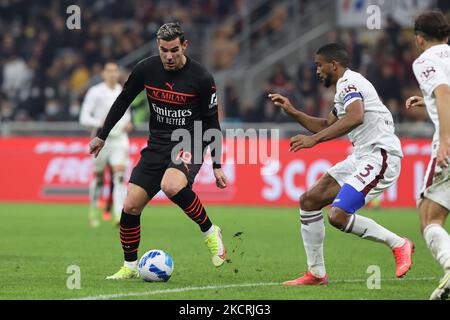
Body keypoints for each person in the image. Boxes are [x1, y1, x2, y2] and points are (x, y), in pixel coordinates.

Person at [88, 22, 227, 280]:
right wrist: (102, 135)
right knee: (130, 206)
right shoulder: (146, 69)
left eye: (174, 50)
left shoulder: (202, 77)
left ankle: (210, 232)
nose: (169, 56)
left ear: (184, 45)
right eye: (164, 50)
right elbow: (123, 100)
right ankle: (130, 266)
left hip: (191, 140)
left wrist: (217, 164)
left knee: (171, 185)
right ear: (158, 47)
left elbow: (212, 123)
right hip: (157, 143)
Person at [269, 43, 414, 286]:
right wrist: (292, 111)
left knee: (337, 215)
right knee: (309, 201)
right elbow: (327, 125)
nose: (316, 71)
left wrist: (313, 141)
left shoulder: (350, 82)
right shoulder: (343, 89)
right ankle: (316, 273)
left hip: (380, 154)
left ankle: (399, 244)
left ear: (333, 65)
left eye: (319, 65)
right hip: (361, 155)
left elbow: (355, 117)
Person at [406, 10, 450, 300]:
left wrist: (445, 139)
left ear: (419, 39)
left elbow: (445, 92)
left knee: (428, 217)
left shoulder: (424, 60)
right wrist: (429, 101)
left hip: (448, 141)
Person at [80, 62, 132, 227]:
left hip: (119, 139)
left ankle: (118, 214)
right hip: (101, 138)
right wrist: (99, 122)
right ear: (103, 74)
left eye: (115, 71)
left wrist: (128, 124)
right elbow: (84, 117)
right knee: (99, 178)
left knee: (120, 176)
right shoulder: (95, 92)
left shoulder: (122, 90)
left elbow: (127, 114)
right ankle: (94, 209)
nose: (112, 74)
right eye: (109, 71)